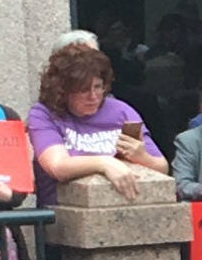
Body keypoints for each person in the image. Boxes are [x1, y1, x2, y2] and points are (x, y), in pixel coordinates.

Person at [26, 44, 167, 202]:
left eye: (98, 87)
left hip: (121, 203)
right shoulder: (44, 113)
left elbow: (162, 167)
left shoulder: (121, 111)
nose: (93, 96)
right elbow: (57, 166)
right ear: (63, 90)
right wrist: (104, 163)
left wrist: (143, 157)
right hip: (63, 209)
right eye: (83, 90)